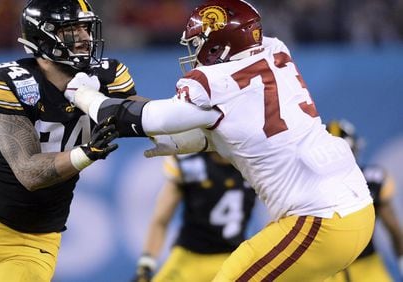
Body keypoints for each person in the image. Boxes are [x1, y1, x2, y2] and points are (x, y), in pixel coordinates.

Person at [66, 0, 376, 281]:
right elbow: (244, 128)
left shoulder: (216, 82)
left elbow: (143, 118)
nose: (195, 49)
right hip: (356, 210)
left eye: (199, 41)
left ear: (220, 46)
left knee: (234, 274)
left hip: (321, 219)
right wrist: (195, 141)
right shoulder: (275, 51)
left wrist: (82, 94)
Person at [0, 0, 136, 281]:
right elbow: (28, 171)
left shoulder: (107, 75)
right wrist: (86, 153)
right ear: (43, 37)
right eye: (71, 29)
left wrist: (193, 110)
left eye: (85, 27)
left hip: (34, 241)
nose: (84, 37)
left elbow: (148, 117)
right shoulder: (12, 81)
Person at [132, 152, 257, 282]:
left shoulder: (253, 161)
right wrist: (146, 264)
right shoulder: (188, 161)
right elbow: (161, 219)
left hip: (230, 259)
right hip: (193, 256)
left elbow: (276, 216)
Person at [325, 120, 403, 282]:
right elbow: (394, 229)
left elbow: (395, 230)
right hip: (329, 271)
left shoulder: (372, 180)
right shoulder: (371, 179)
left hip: (362, 267)